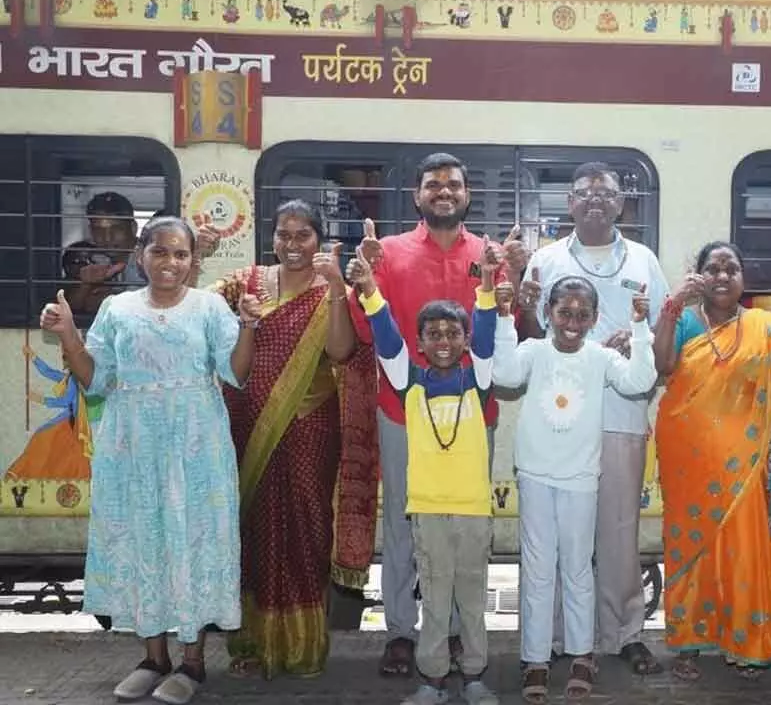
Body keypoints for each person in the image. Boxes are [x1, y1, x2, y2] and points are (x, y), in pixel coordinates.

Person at [38, 216, 260, 705]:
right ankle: (153, 659)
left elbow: (236, 373)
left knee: (191, 541)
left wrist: (247, 326)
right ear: (141, 256)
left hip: (195, 446)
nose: (170, 262)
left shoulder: (209, 308)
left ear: (192, 260)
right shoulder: (117, 309)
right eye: (160, 251)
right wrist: (70, 333)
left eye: (181, 254)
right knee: (144, 540)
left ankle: (192, 663)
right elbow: (95, 379)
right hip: (132, 445)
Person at [349, 153, 524, 678]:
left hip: (472, 416)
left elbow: (503, 330)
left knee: (464, 524)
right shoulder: (390, 252)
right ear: (417, 196)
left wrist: (512, 280)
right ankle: (403, 633)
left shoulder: (488, 255)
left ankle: (452, 633)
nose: (443, 192)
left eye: (453, 185)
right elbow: (365, 330)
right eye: (433, 185)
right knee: (404, 522)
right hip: (403, 413)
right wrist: (363, 278)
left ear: (468, 194)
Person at [199, 200, 379, 680]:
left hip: (311, 430)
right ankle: (250, 646)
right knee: (252, 531)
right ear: (272, 238)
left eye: (303, 235)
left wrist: (337, 288)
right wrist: (197, 256)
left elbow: (341, 351)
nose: (292, 244)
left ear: (319, 239)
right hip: (248, 425)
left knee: (306, 529)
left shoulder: (331, 289)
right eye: (283, 234)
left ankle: (301, 649)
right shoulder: (246, 282)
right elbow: (193, 308)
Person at [515, 162, 668, 675]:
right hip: (558, 422)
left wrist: (638, 340)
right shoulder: (545, 259)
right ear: (570, 203)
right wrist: (520, 308)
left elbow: (660, 330)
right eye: (584, 192)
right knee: (557, 538)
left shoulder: (644, 260)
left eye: (606, 193)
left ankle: (624, 632)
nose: (595, 200)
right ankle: (556, 635)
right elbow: (528, 336)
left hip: (621, 414)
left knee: (618, 530)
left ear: (621, 203)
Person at [350, 238, 501, 705]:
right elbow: (386, 337)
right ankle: (432, 680)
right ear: (420, 344)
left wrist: (487, 286)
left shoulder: (477, 381)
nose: (444, 342)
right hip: (429, 511)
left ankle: (474, 676)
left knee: (472, 597)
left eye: (453, 334)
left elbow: (487, 332)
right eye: (433, 334)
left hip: (473, 512)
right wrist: (370, 289)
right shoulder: (410, 385)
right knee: (435, 597)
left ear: (465, 342)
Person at [493, 276, 658, 704]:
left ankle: (582, 655)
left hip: (582, 478)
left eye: (583, 315)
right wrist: (505, 319)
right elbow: (503, 374)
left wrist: (640, 326)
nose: (572, 322)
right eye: (564, 312)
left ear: (595, 318)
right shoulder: (534, 352)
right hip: (535, 475)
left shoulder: (600, 358)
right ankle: (535, 658)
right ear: (548, 313)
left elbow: (640, 381)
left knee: (578, 569)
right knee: (538, 568)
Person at [651, 242, 771, 680]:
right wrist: (672, 305)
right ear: (698, 274)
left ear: (743, 278)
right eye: (713, 268)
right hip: (690, 456)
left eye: (730, 269)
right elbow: (663, 364)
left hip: (747, 460)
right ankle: (688, 641)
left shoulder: (766, 324)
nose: (721, 276)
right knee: (690, 548)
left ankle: (746, 640)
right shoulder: (684, 319)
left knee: (743, 548)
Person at [65, 191, 144, 315]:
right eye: (99, 230)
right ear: (91, 232)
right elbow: (71, 307)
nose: (107, 238)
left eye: (116, 229)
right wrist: (86, 285)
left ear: (133, 228)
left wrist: (108, 299)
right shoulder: (101, 262)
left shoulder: (145, 261)